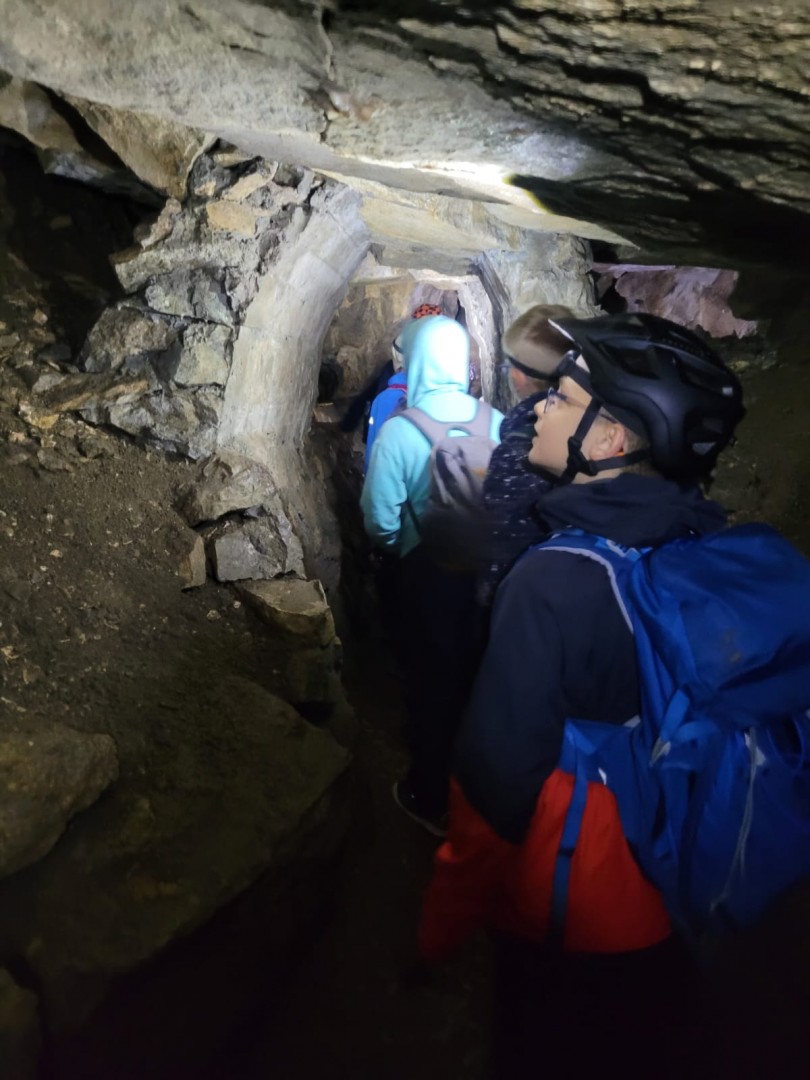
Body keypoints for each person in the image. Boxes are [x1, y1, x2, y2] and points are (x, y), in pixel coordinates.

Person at [418, 312, 745, 1077]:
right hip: (671, 890)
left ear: (610, 441)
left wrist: (443, 921)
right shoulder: (697, 545)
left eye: (562, 398)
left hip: (571, 911)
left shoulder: (552, 579)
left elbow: (494, 787)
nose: (538, 409)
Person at [361, 314, 503, 835]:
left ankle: (429, 794)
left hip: (427, 577)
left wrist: (401, 549)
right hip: (489, 577)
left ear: (417, 361)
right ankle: (481, 791)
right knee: (478, 675)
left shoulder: (401, 429)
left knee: (430, 681)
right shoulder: (497, 422)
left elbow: (379, 519)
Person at [479, 303, 575, 602]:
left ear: (519, 376)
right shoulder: (593, 426)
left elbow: (499, 554)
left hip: (531, 598)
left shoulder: (520, 451)